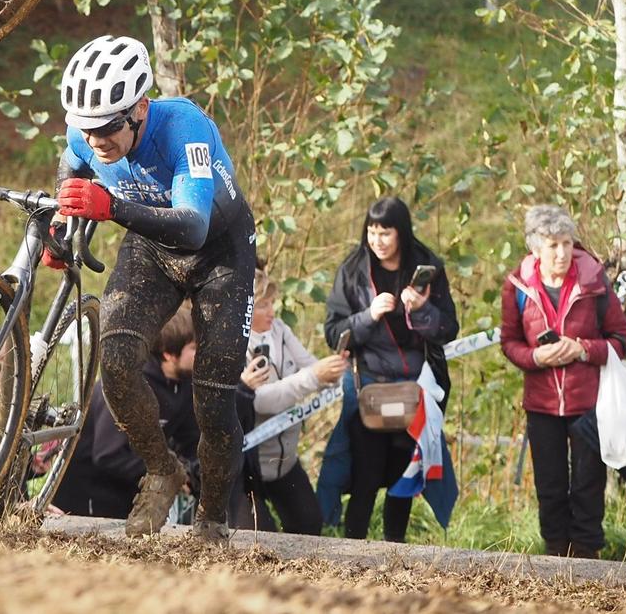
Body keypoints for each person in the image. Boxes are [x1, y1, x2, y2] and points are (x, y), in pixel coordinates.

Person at [50, 33, 256, 541]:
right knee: (115, 361)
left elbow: (193, 227)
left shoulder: (183, 127)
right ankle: (162, 470)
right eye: (87, 128)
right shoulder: (85, 134)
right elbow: (68, 183)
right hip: (151, 246)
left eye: (109, 127)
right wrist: (59, 231)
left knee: (213, 398)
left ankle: (210, 520)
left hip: (218, 251)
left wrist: (111, 208)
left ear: (140, 109)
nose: (97, 140)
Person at [322, 195, 458, 542]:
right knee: (365, 476)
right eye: (372, 232)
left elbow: (449, 330)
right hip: (370, 389)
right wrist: (369, 316)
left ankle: (395, 551)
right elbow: (334, 334)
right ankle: (352, 551)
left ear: (401, 233)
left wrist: (424, 310)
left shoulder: (428, 267)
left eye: (385, 233)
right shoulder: (353, 270)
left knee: (404, 476)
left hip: (414, 390)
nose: (377, 241)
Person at [500, 204, 626, 559]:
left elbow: (622, 341)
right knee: (550, 486)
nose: (562, 253)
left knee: (589, 485)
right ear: (535, 248)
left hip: (589, 403)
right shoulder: (516, 287)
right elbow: (509, 343)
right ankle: (554, 558)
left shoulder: (594, 282)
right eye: (553, 245)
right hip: (541, 403)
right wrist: (535, 358)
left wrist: (583, 349)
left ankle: (588, 559)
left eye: (567, 243)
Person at [51, 305, 203, 519]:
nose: (202, 356)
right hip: (88, 495)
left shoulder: (183, 385)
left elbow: (191, 440)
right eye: (195, 348)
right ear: (169, 354)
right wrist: (167, 472)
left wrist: (194, 473)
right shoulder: (127, 385)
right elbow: (107, 455)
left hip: (127, 491)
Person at [242, 263, 344, 534]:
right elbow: (260, 401)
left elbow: (308, 365)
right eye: (263, 305)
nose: (271, 312)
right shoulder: (233, 342)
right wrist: (314, 377)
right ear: (246, 306)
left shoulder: (280, 330)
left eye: (272, 303)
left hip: (284, 460)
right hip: (246, 466)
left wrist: (333, 375)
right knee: (261, 537)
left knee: (309, 524)